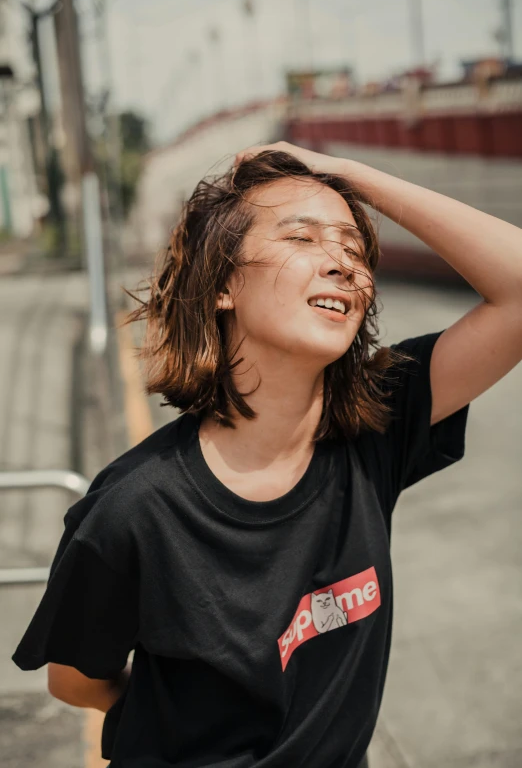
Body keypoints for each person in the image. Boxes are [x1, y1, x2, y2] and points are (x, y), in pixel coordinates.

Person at [12, 142, 522, 768]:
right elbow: (76, 680)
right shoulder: (135, 509)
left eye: (354, 249)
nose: (340, 263)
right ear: (223, 283)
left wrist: (345, 171)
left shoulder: (374, 428)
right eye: (302, 239)